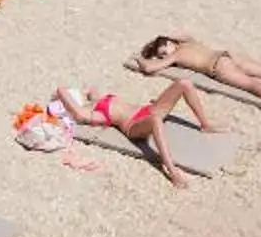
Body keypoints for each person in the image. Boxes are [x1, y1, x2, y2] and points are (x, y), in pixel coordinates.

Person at [57, 77, 217, 188]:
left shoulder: (97, 100)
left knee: (184, 83)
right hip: (133, 125)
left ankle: (206, 124)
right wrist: (64, 95)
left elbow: (91, 88)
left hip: (145, 110)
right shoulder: (91, 114)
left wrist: (83, 92)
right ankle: (172, 170)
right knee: (155, 119)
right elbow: (70, 103)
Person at [131, 34, 261, 116]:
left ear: (171, 45)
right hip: (225, 54)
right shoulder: (189, 43)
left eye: (165, 52)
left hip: (217, 66)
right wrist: (166, 38)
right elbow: (184, 32)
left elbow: (149, 69)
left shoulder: (177, 54)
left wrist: (140, 59)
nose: (166, 55)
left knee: (251, 85)